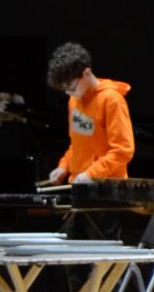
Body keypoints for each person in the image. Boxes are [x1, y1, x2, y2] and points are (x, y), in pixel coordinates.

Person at [42, 43, 134, 186]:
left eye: (71, 87)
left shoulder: (111, 100)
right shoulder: (74, 100)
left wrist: (91, 174)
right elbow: (78, 144)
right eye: (65, 89)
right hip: (80, 184)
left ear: (86, 73)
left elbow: (122, 150)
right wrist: (64, 166)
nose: (69, 93)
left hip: (107, 186)